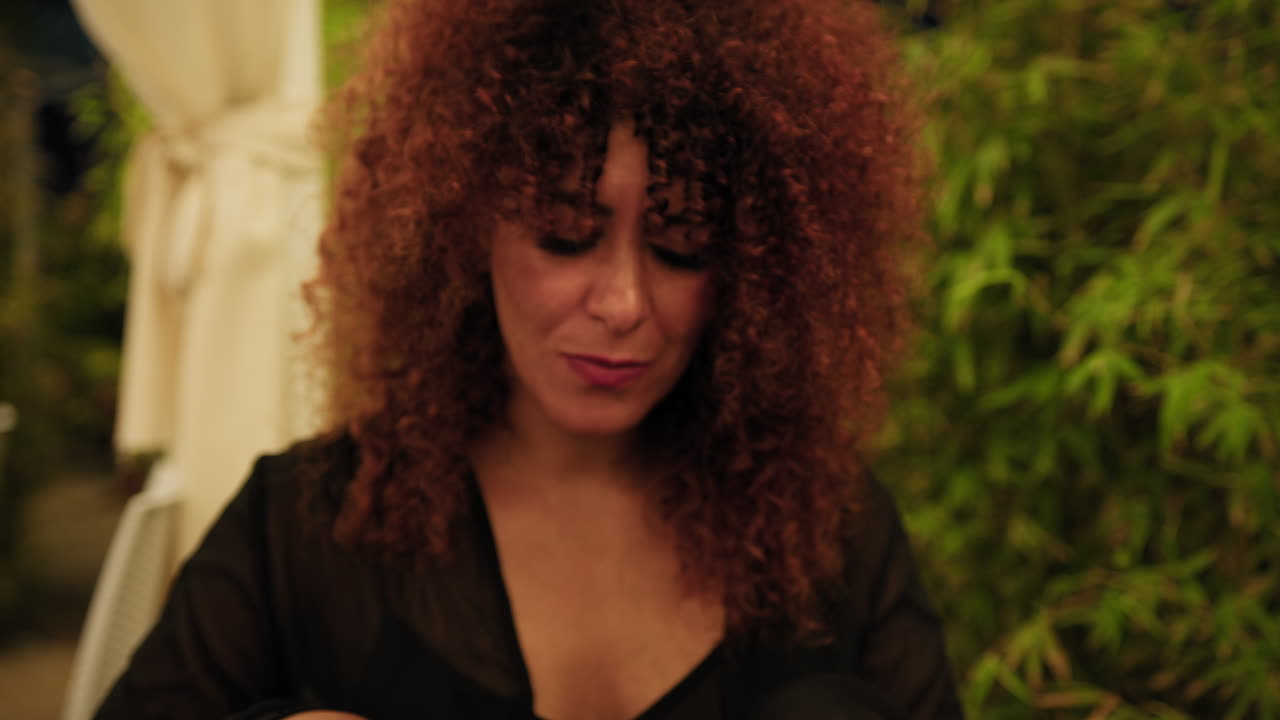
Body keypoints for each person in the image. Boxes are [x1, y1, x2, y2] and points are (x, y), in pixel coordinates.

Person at [95, 0, 962, 718]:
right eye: (566, 235)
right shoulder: (306, 526)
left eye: (683, 246)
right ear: (466, 224)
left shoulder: (827, 532)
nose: (623, 303)